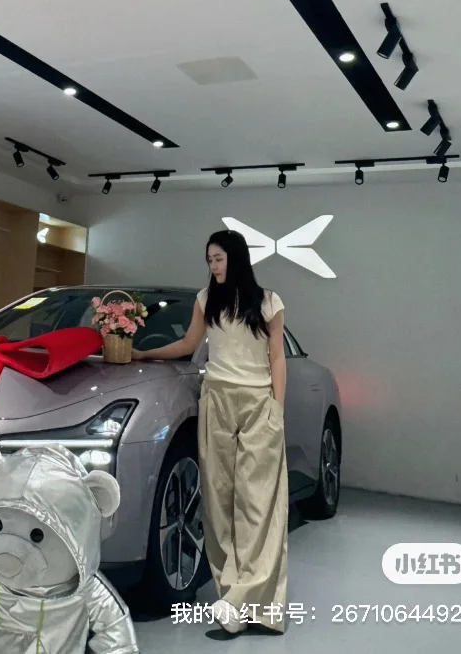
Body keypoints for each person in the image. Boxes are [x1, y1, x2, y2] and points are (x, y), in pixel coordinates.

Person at [132, 229, 287, 634]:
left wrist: (276, 407)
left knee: (258, 503)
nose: (213, 266)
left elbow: (277, 357)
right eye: (209, 260)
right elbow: (188, 345)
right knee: (218, 502)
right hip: (216, 399)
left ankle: (253, 604)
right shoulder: (206, 300)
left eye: (218, 258)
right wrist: (143, 352)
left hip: (258, 403)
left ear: (236, 258)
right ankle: (231, 598)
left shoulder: (269, 302)